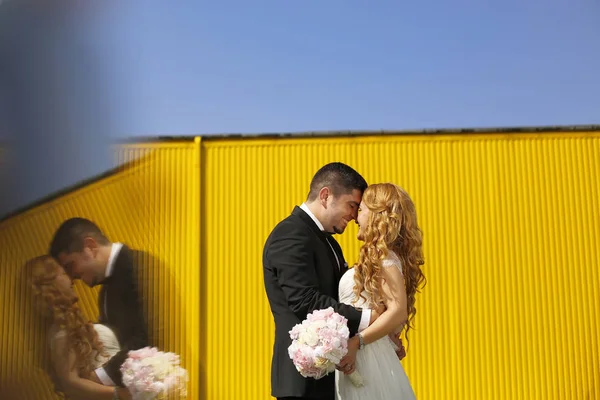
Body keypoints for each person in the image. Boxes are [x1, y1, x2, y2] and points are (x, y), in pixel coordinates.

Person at [263, 162, 384, 400]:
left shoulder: (328, 241)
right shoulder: (290, 234)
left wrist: (384, 331)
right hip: (302, 381)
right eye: (351, 205)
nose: (354, 215)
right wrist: (371, 318)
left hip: (331, 374)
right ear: (326, 195)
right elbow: (305, 301)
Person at [335, 183, 426, 400]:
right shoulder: (381, 258)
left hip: (366, 359)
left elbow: (397, 311)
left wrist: (357, 342)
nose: (356, 216)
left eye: (362, 209)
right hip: (364, 357)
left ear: (378, 215)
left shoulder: (383, 258)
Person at [48, 217, 153, 388]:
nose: (71, 276)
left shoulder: (140, 267)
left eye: (70, 265)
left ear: (90, 246)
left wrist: (98, 378)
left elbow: (150, 334)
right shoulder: (104, 292)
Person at [20, 255, 132, 400]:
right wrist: (118, 394)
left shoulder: (70, 324)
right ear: (51, 283)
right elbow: (70, 383)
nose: (72, 279)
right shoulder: (60, 329)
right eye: (63, 274)